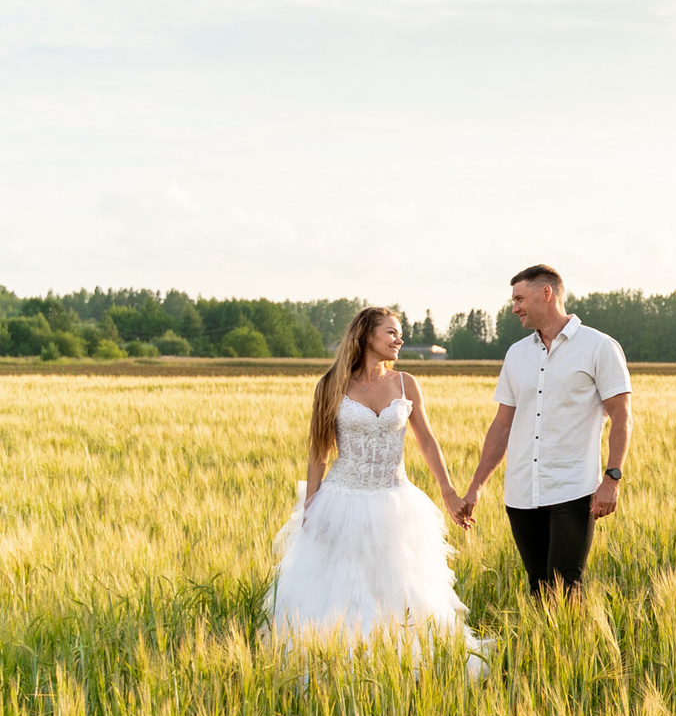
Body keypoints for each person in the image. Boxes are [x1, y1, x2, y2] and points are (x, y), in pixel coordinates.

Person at [267, 305, 485, 672]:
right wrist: (310, 507)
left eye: (399, 333)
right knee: (343, 587)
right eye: (392, 332)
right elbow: (319, 452)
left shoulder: (406, 383)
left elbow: (427, 443)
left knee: (399, 587)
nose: (400, 339)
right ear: (368, 336)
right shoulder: (331, 384)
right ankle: (338, 661)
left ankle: (403, 664)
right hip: (341, 501)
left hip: (394, 502)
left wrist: (448, 491)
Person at [455, 265, 633, 598]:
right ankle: (544, 649)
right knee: (538, 587)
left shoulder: (598, 347)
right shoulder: (516, 354)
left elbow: (621, 416)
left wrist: (612, 478)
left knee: (566, 589)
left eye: (519, 298)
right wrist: (476, 486)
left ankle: (569, 650)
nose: (514, 308)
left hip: (573, 489)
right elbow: (501, 425)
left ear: (546, 294)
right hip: (521, 492)